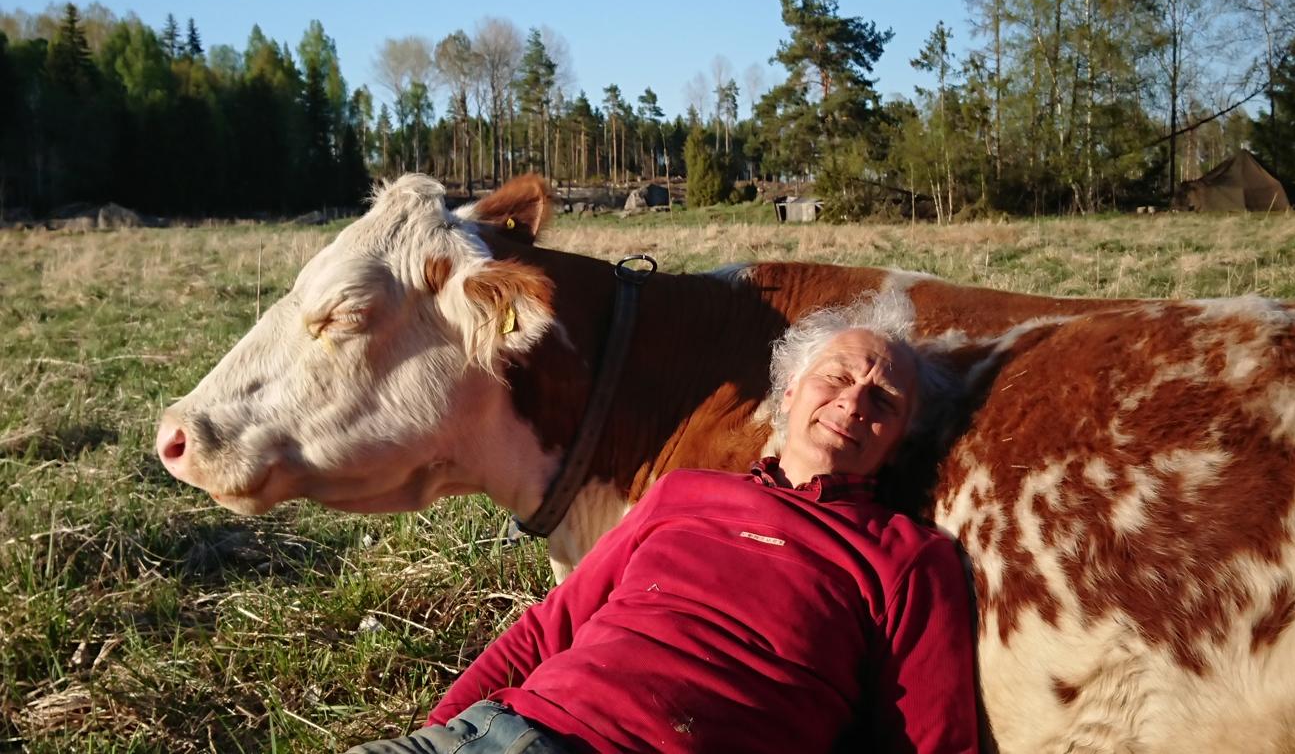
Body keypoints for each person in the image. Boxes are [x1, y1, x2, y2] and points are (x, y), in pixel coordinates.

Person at [349, 295, 980, 754]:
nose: (852, 402)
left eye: (883, 401)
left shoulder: (905, 559)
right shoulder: (685, 492)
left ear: (900, 442)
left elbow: (930, 742)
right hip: (496, 732)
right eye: (838, 377)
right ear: (789, 391)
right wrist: (440, 732)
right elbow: (548, 628)